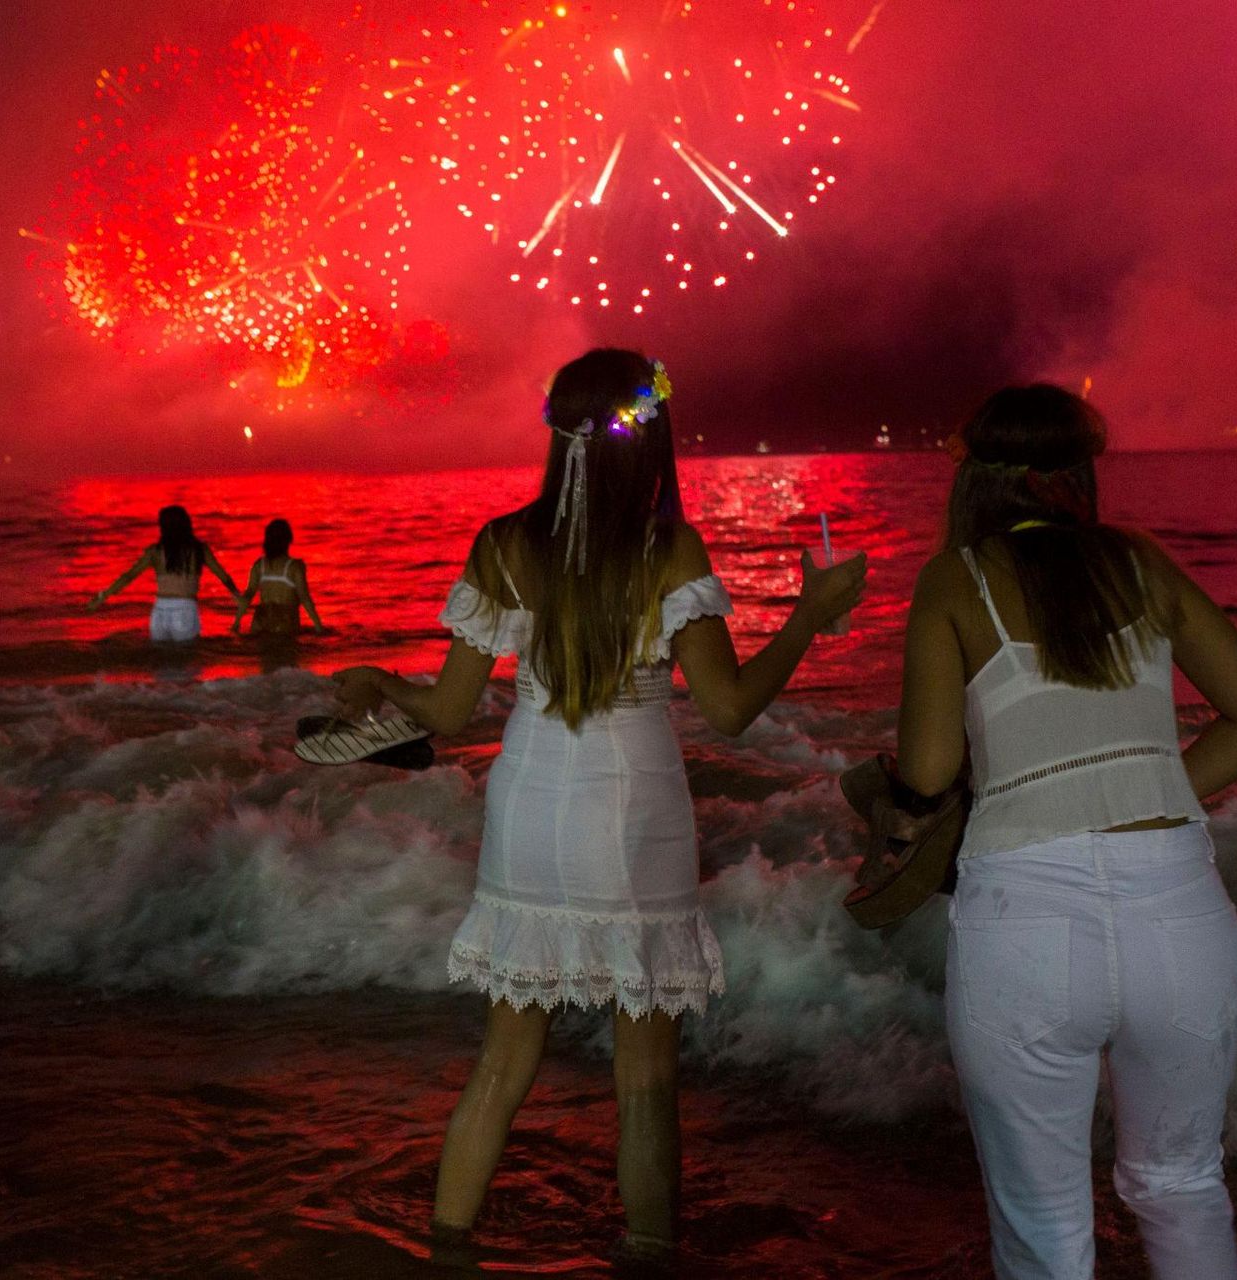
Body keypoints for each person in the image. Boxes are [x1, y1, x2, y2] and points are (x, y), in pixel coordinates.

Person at [331, 349, 867, 1259]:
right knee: (646, 1079)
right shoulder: (670, 551)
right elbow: (731, 712)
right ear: (650, 436)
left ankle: (445, 1251)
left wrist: (387, 683)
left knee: (504, 1060)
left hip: (530, 797)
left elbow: (452, 710)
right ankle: (649, 1257)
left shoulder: (504, 544)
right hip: (633, 804)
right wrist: (811, 617)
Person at [893, 384, 1237, 1279]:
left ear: (976, 483)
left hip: (1026, 923)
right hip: (1179, 915)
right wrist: (1142, 789)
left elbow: (923, 770)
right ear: (1077, 476)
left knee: (1044, 1230)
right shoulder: (1141, 564)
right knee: (1183, 1186)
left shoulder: (957, 579)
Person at [85, 504, 241, 642]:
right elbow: (223, 576)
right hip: (185, 609)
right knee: (186, 661)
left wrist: (102, 596)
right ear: (187, 524)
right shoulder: (199, 550)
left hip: (160, 610)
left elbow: (129, 576)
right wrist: (237, 596)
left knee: (161, 665)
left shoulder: (156, 551)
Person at [232, 518, 328, 637]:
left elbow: (248, 596)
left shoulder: (259, 566)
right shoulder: (295, 567)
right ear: (288, 540)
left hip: (261, 620)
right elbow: (305, 598)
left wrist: (236, 623)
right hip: (285, 623)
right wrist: (319, 628)